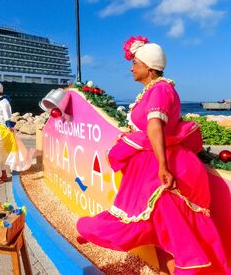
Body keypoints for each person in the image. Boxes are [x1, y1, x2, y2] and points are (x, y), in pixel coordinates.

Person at [76, 36, 230, 275]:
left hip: (162, 168)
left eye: (135, 63)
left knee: (173, 236)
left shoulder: (160, 90)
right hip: (154, 165)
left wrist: (163, 167)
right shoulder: (155, 90)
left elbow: (155, 127)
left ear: (148, 67)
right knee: (161, 233)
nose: (131, 67)